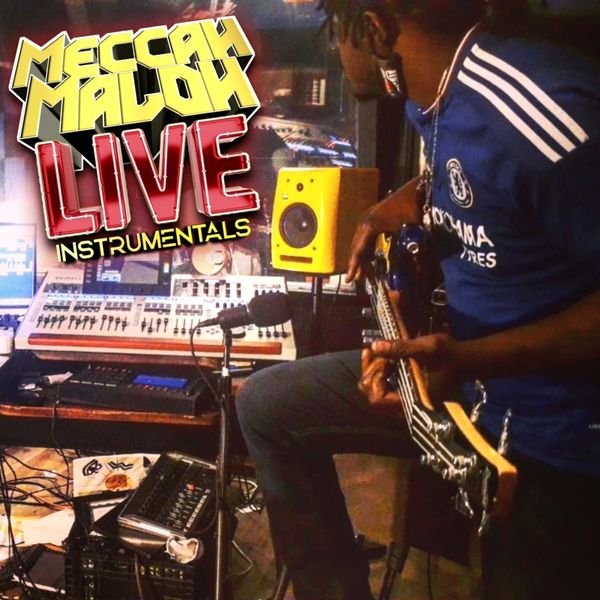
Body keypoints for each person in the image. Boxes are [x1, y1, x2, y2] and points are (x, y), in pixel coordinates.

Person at [236, 2, 600, 599]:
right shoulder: (424, 89)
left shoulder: (547, 114)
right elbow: (457, 178)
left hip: (557, 447)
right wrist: (386, 211)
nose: (333, 49)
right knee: (266, 405)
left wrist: (471, 359)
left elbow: (516, 161)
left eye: (336, 32)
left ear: (376, 27)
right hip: (467, 389)